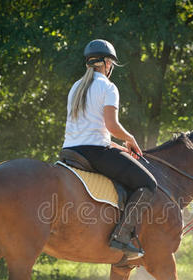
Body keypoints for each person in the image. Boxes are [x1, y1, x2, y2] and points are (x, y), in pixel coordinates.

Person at [62, 39, 157, 259]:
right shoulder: (107, 86)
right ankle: (122, 236)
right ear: (106, 63)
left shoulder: (76, 87)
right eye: (111, 63)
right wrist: (130, 138)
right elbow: (112, 126)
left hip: (70, 150)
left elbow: (89, 130)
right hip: (94, 153)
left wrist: (114, 144)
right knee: (148, 184)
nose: (111, 67)